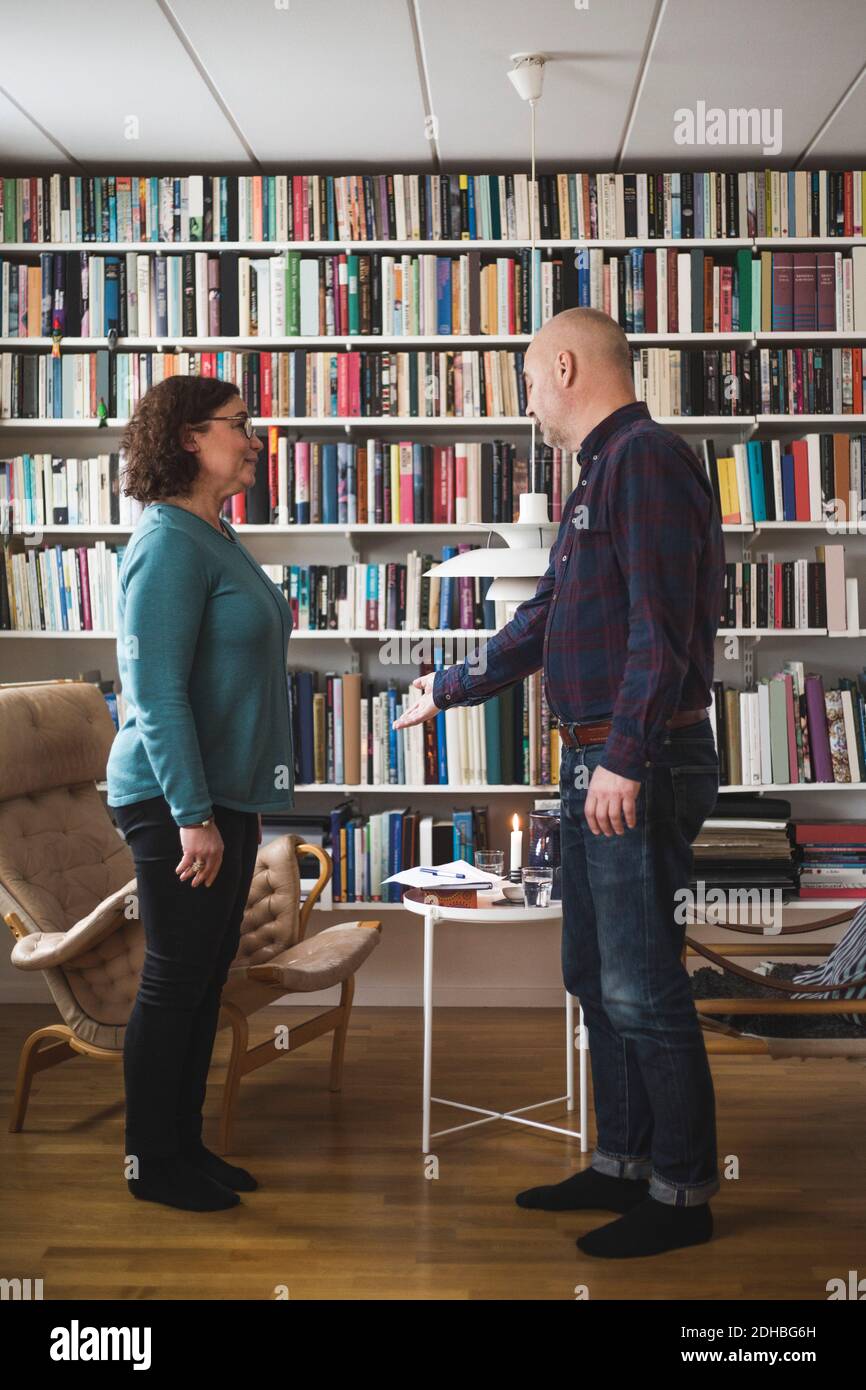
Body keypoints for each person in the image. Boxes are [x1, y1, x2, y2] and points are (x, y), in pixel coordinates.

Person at [393, 306, 725, 1259]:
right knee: (594, 974)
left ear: (567, 367)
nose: (528, 398)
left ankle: (683, 1192)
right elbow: (542, 623)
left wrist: (622, 753)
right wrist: (448, 687)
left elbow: (660, 632)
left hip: (637, 760)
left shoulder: (648, 461)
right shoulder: (597, 480)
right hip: (596, 761)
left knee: (642, 982)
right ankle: (620, 1163)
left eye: (531, 378)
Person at [106, 376, 295, 1212]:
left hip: (227, 798)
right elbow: (156, 691)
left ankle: (185, 1146)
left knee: (204, 978)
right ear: (189, 437)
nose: (252, 439)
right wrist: (191, 816)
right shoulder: (169, 542)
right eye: (238, 426)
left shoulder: (212, 532)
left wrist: (228, 808)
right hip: (175, 801)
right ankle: (152, 1164)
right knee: (176, 979)